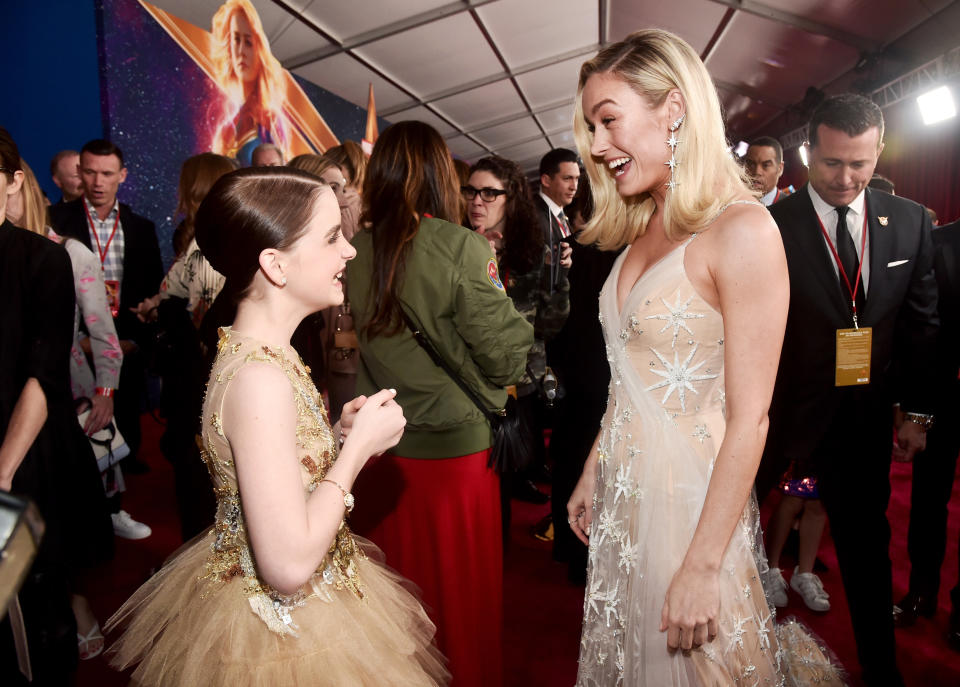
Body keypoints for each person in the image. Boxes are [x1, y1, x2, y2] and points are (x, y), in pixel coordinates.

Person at [567, 30, 843, 685]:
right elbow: (630, 376)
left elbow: (752, 418)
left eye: (608, 121)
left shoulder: (743, 230)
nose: (598, 145)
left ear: (673, 108)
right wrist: (592, 467)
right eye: (591, 128)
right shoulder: (643, 223)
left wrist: (703, 563)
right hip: (626, 501)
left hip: (690, 505)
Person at [104, 166, 448, 686]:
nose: (350, 250)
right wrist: (356, 454)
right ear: (275, 265)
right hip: (284, 631)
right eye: (332, 236)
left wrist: (333, 439)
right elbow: (287, 567)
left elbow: (274, 468)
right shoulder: (261, 376)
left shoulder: (262, 353)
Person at [757, 93, 939, 686]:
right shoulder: (767, 225)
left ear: (879, 151)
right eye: (831, 162)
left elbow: (920, 325)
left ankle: (881, 670)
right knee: (742, 528)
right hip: (776, 416)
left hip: (860, 420)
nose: (844, 177)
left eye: (859, 164)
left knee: (865, 548)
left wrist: (917, 413)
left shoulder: (909, 221)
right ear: (808, 152)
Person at [348, 121, 533, 687]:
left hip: (383, 451)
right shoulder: (461, 246)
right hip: (455, 458)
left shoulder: (354, 251)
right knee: (458, 595)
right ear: (439, 177)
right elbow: (506, 359)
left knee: (394, 594)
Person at [0, 128, 112, 684]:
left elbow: (45, 373)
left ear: (15, 184)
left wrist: (2, 473)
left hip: (27, 452)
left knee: (28, 602)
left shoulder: (48, 259)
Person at [49, 138, 162, 531]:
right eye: (91, 171)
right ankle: (83, 512)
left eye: (107, 173)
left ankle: (114, 509)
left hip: (126, 344)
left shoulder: (141, 228)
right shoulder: (55, 223)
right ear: (79, 172)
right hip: (74, 350)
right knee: (77, 431)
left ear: (122, 176)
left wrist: (134, 341)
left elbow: (150, 289)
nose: (98, 181)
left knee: (122, 425)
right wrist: (77, 341)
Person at [132, 152, 236, 541]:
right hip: (205, 379)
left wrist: (162, 311)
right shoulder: (204, 239)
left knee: (202, 486)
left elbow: (198, 318)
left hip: (203, 382)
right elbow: (171, 294)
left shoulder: (207, 245)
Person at [465, 155, 571, 527]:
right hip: (467, 383)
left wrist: (561, 279)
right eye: (472, 191)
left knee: (504, 483)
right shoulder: (455, 250)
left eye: (490, 193)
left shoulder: (533, 252)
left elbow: (552, 323)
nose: (477, 201)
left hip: (518, 382)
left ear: (511, 199)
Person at [893, 217, 960, 645]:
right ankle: (921, 591)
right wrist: (913, 413)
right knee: (927, 501)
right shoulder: (937, 242)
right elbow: (917, 330)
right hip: (941, 397)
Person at [210, 0, 289, 165]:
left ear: (259, 48)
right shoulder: (227, 122)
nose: (240, 52)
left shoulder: (270, 119)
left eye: (248, 42)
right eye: (236, 40)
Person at [744, 136, 790, 206]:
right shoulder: (732, 204)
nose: (757, 172)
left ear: (780, 169)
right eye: (751, 164)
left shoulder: (792, 207)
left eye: (765, 165)